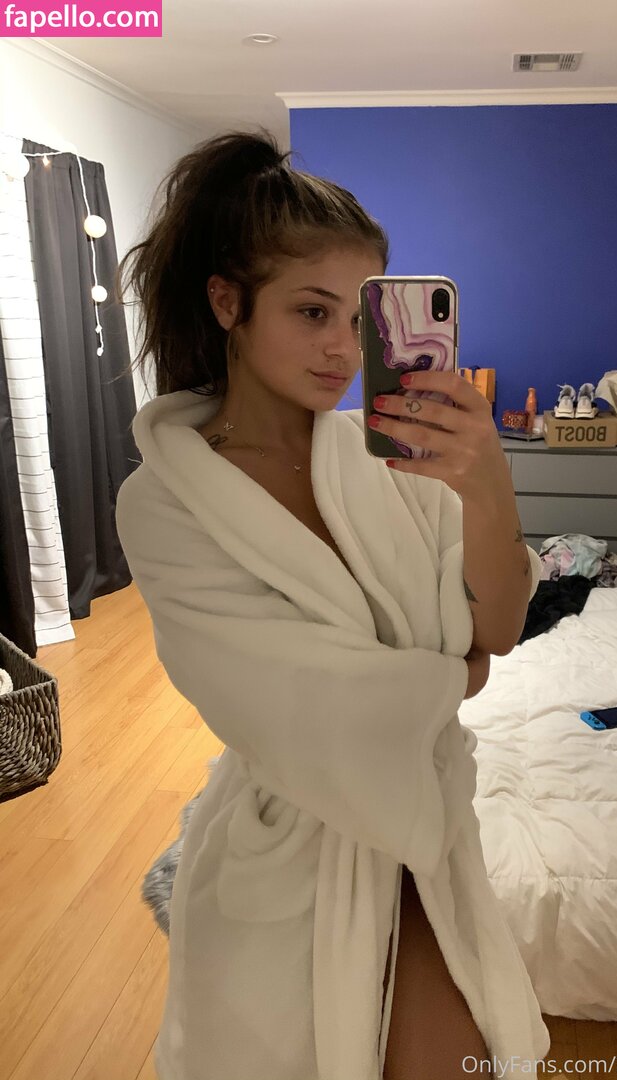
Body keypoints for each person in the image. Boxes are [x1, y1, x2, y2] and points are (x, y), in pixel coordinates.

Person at [115, 128, 549, 1080]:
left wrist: (488, 487)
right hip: (290, 844)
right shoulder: (168, 500)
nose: (343, 350)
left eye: (361, 319)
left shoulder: (388, 464)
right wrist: (458, 678)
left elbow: (498, 629)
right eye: (311, 311)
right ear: (227, 303)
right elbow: (297, 706)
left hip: (424, 829)